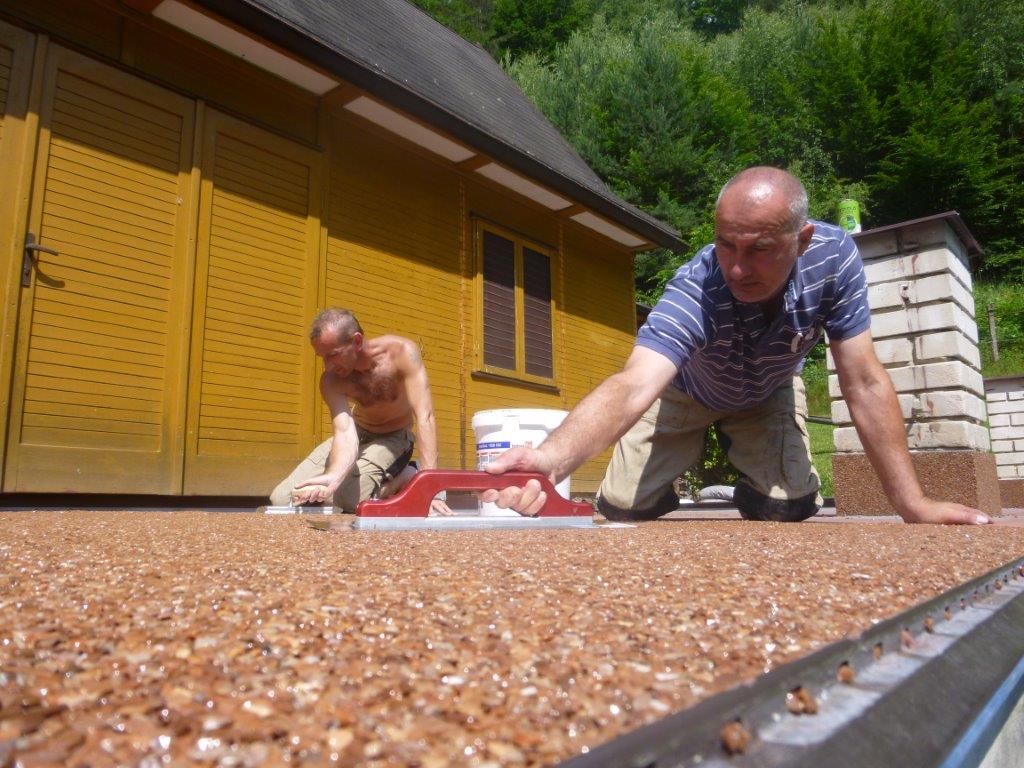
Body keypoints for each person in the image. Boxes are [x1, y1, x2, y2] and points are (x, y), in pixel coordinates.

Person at [482, 166, 990, 526]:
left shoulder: (834, 260)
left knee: (787, 508)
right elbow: (634, 383)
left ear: (802, 240)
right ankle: (663, 478)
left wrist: (911, 503)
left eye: (760, 249)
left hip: (767, 391)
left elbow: (864, 381)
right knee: (622, 508)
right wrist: (551, 458)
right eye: (726, 244)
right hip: (685, 392)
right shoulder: (697, 286)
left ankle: (756, 477)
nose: (738, 268)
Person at [269, 308, 452, 515]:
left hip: (393, 437)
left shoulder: (401, 353)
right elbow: (344, 432)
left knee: (346, 501)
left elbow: (425, 417)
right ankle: (358, 487)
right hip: (357, 433)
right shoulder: (331, 380)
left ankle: (408, 475)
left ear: (356, 341)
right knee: (282, 499)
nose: (327, 366)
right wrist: (334, 475)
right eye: (322, 357)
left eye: (333, 355)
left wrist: (429, 489)